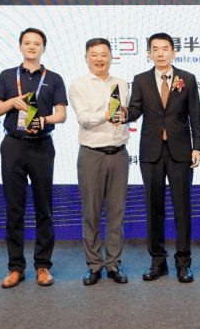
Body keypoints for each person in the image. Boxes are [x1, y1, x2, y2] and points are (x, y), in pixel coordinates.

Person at [0, 28, 68, 288]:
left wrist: (44, 120)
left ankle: (43, 266)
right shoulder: (7, 76)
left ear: (44, 48)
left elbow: (61, 114)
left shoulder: (53, 78)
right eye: (27, 43)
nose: (32, 47)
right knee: (14, 209)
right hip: (13, 145)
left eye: (37, 43)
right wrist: (11, 102)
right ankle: (16, 268)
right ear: (20, 46)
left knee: (44, 208)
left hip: (42, 146)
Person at [126, 32, 200, 283]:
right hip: (151, 152)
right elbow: (135, 111)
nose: (160, 53)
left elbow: (195, 116)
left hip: (180, 151)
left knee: (182, 209)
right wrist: (121, 114)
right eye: (155, 49)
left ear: (173, 52)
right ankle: (158, 262)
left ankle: (183, 263)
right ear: (149, 53)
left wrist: (197, 147)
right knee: (153, 208)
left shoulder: (187, 79)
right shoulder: (141, 80)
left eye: (165, 48)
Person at [68, 38, 131, 286]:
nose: (99, 59)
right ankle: (94, 265)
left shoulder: (121, 84)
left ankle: (113, 263)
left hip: (119, 154)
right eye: (94, 55)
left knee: (117, 213)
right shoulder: (79, 85)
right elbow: (83, 118)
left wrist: (123, 114)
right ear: (86, 58)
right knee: (91, 213)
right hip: (91, 154)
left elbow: (125, 114)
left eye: (104, 54)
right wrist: (106, 114)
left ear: (111, 57)